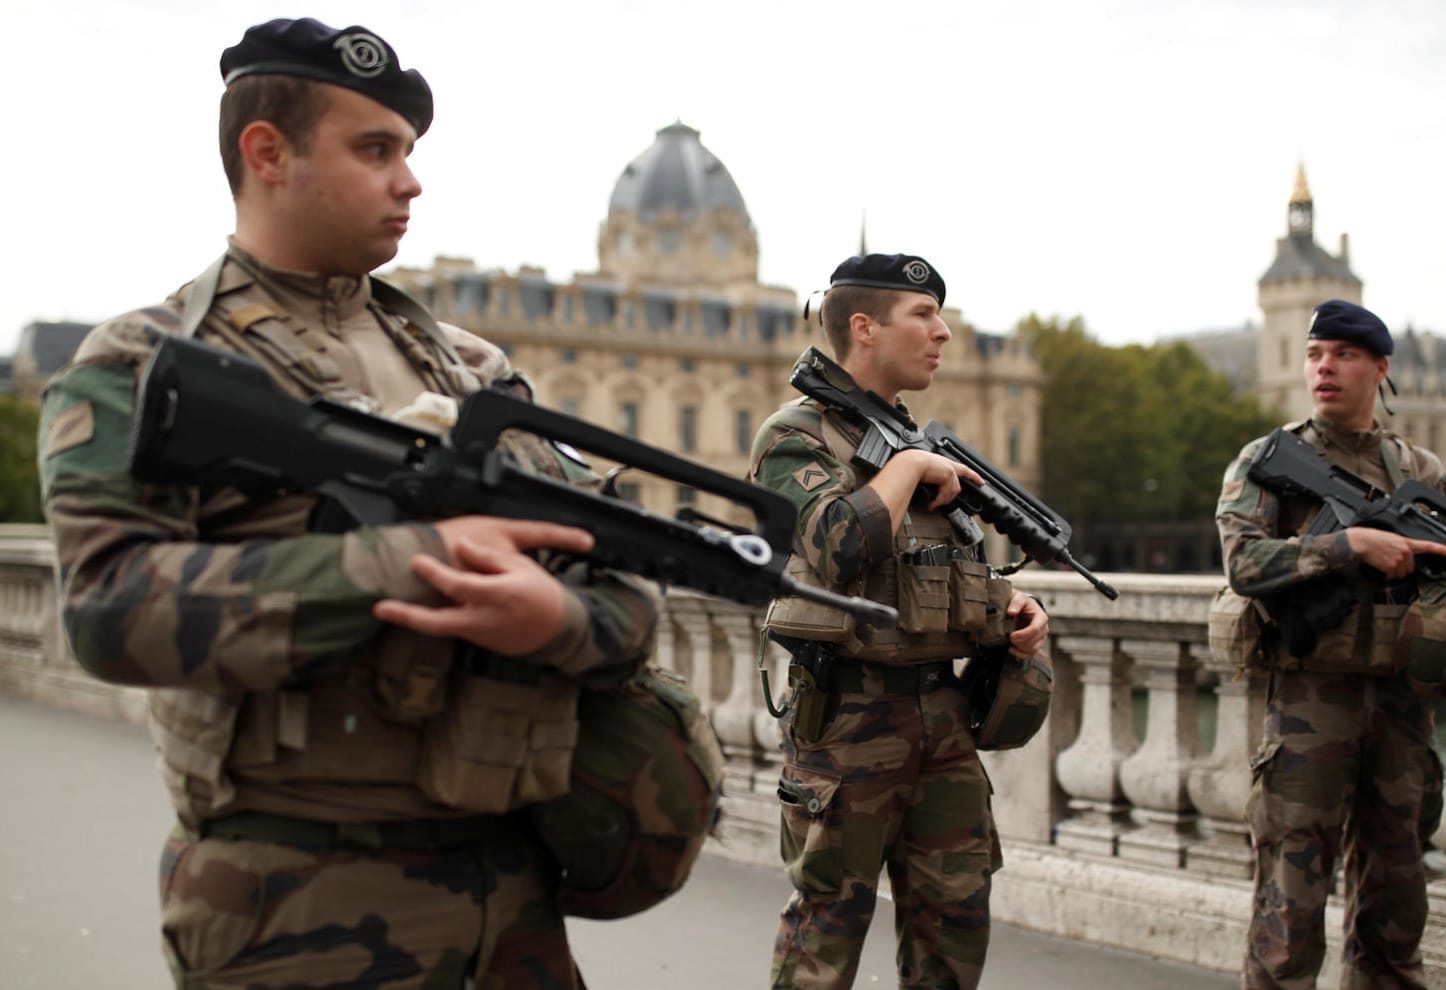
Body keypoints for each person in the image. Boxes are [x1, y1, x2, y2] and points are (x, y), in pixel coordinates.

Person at [36, 18, 657, 987]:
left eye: (410, 152)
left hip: (511, 885)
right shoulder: (141, 363)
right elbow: (107, 609)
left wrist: (563, 620)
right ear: (267, 153)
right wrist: (403, 562)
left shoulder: (474, 369)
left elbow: (621, 576)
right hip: (288, 896)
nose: (410, 180)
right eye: (376, 150)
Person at [1215, 299, 1446, 989]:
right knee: (1288, 908)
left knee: (1395, 904)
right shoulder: (1269, 460)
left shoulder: (1418, 468)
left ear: (1379, 368)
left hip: (1401, 705)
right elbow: (1243, 565)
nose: (1324, 368)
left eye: (1344, 355)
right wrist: (1347, 546)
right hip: (1311, 704)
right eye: (1314, 355)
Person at [749, 254, 1051, 989]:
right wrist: (912, 468)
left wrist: (1008, 613)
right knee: (826, 933)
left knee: (954, 927)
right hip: (847, 721)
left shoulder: (907, 437)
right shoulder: (797, 437)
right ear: (864, 327)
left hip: (940, 718)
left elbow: (936, 573)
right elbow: (836, 543)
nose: (943, 333)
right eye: (923, 316)